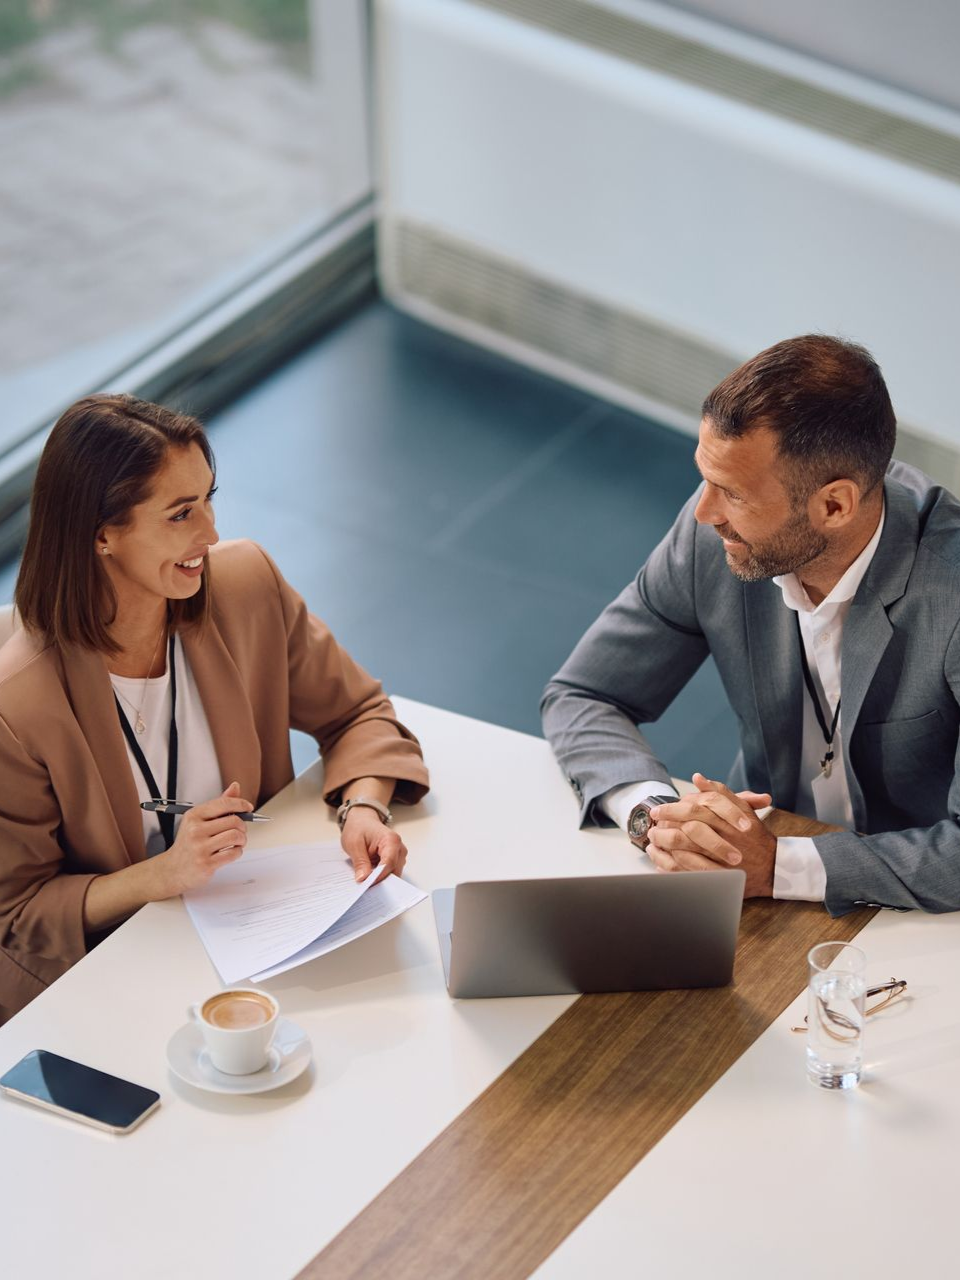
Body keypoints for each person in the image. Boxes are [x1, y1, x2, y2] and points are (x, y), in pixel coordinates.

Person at [0, 395, 429, 1022]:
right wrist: (165, 874)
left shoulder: (246, 586)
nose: (210, 534)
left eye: (208, 499)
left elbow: (359, 713)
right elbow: (20, 912)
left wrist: (364, 805)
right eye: (180, 514)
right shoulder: (17, 703)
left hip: (272, 939)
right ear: (102, 536)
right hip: (116, 975)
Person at [542, 335, 960, 915]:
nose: (703, 513)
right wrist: (655, 819)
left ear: (834, 506)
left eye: (733, 493)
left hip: (915, 904)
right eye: (706, 479)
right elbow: (583, 694)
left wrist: (776, 866)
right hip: (764, 876)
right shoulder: (715, 535)